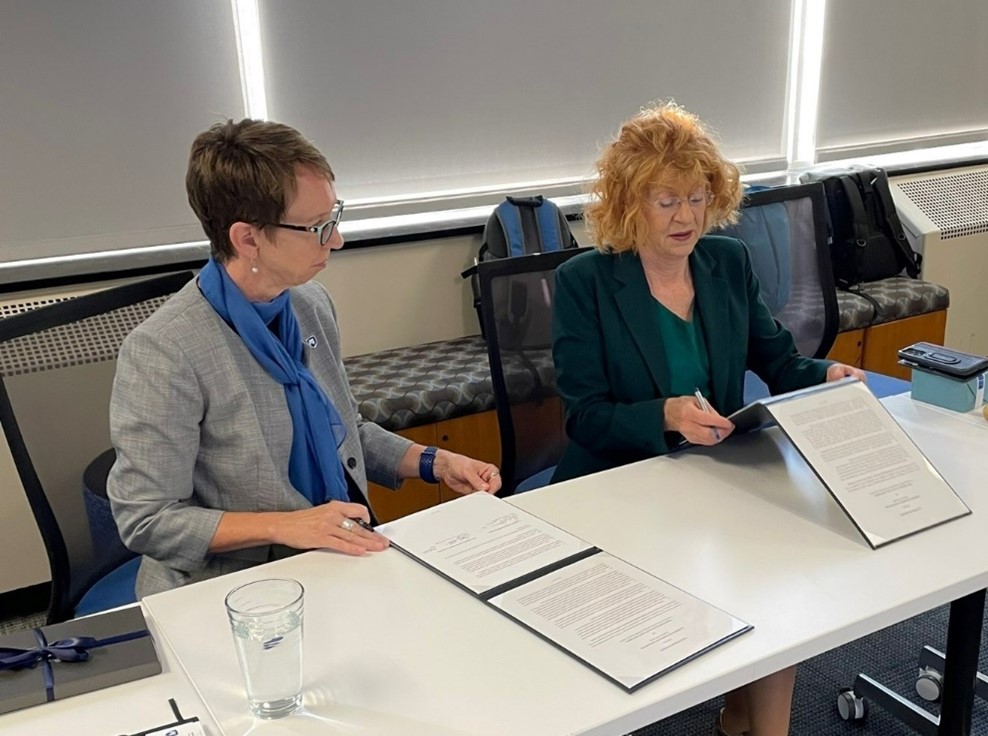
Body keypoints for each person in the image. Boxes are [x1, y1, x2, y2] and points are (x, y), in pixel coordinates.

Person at [551, 103, 865, 736]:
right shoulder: (583, 282)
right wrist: (663, 416)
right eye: (666, 200)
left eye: (697, 197)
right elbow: (584, 418)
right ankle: (733, 714)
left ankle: (753, 725)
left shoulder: (725, 263)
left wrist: (826, 376)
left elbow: (779, 361)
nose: (687, 217)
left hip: (715, 471)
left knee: (777, 569)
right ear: (627, 202)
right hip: (621, 484)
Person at [108, 119, 501, 598]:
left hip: (331, 554)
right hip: (230, 589)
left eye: (333, 217)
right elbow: (147, 519)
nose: (336, 240)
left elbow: (347, 429)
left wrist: (434, 463)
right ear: (247, 239)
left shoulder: (309, 305)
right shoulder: (166, 350)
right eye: (318, 228)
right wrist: (287, 525)